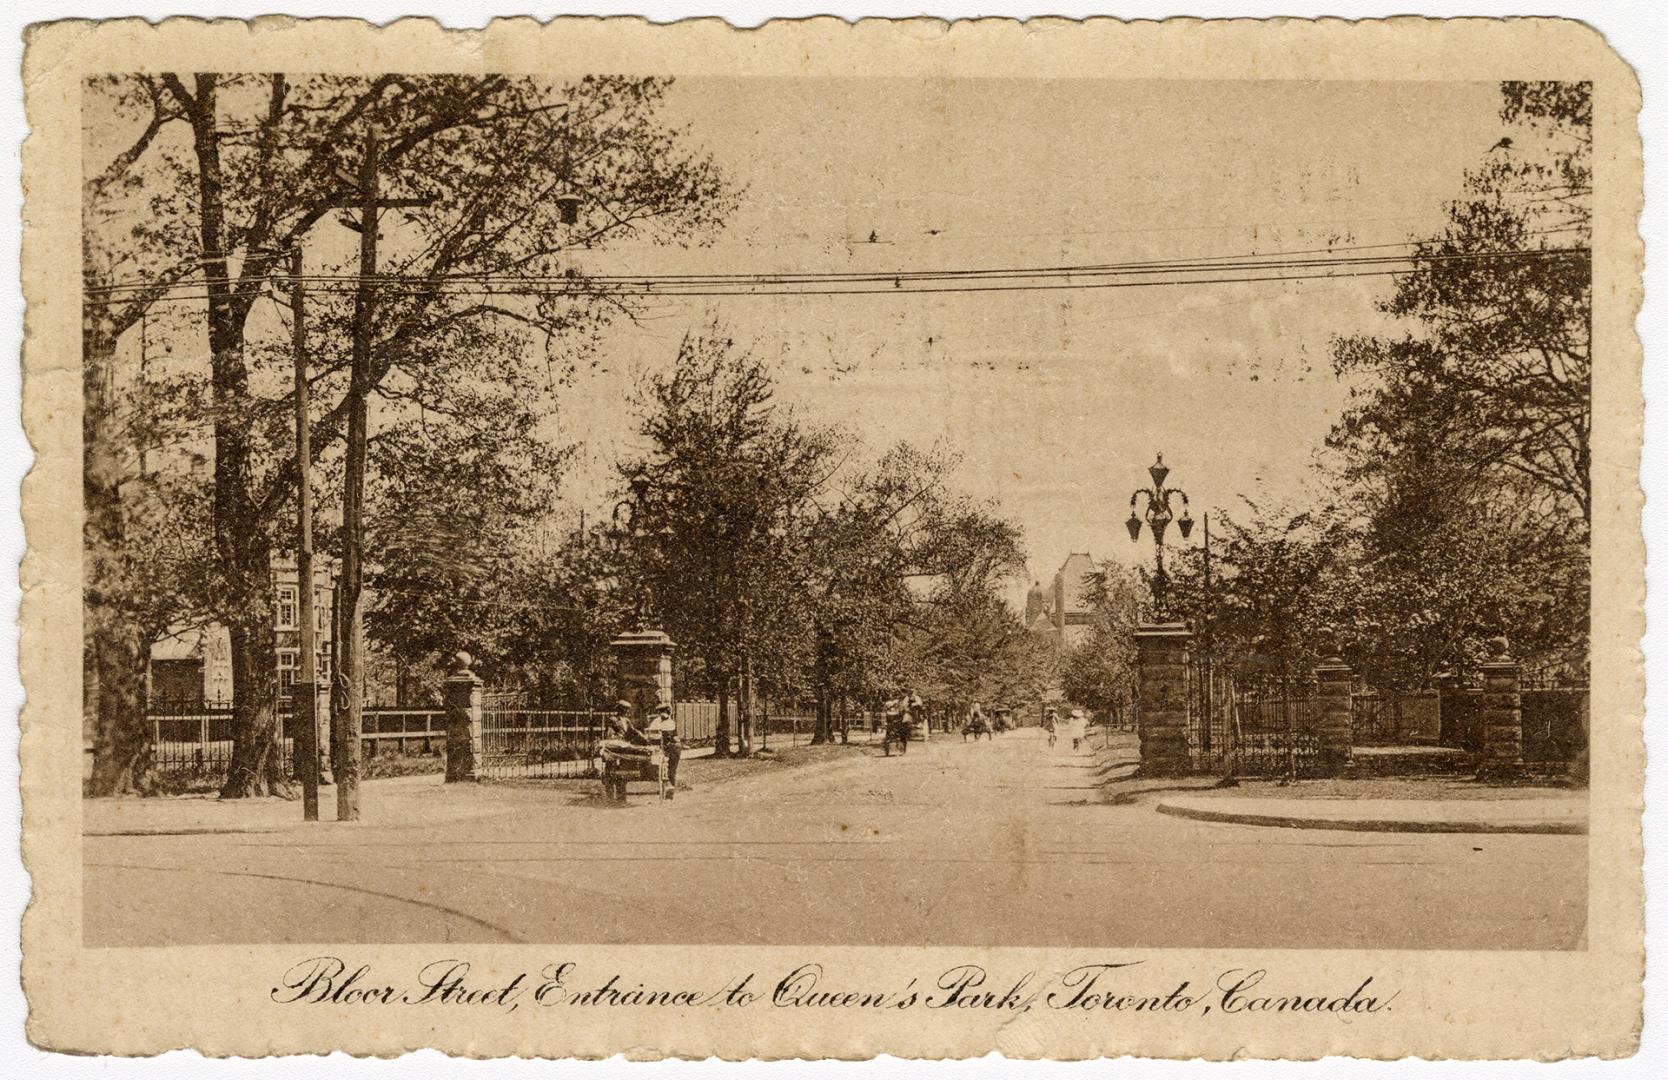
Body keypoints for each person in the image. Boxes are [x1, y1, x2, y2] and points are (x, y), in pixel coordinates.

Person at [648, 704, 681, 799]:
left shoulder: (668, 722)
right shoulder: (659, 721)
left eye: (664, 712)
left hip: (672, 748)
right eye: (662, 712)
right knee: (664, 768)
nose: (663, 714)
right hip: (661, 747)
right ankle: (665, 788)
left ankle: (670, 791)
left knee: (671, 769)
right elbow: (652, 734)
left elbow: (667, 736)